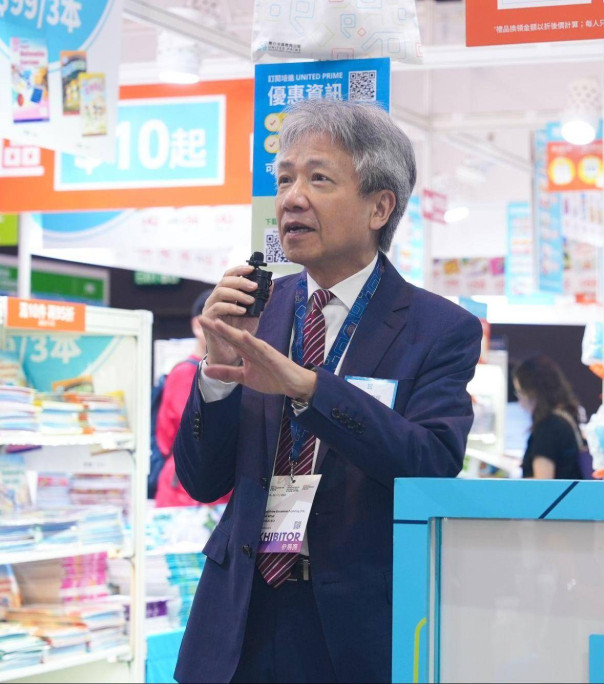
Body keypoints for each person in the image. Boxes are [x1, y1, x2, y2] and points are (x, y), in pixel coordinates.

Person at [171, 99, 482, 683]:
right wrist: (216, 370)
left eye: (318, 178)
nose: (292, 198)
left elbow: (431, 462)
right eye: (284, 179)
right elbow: (202, 482)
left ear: (379, 207)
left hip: (352, 628)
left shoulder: (439, 329)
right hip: (238, 619)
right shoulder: (256, 310)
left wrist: (311, 388)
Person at [153, 289, 232, 508]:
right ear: (198, 325)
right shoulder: (185, 373)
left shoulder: (226, 372)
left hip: (207, 489)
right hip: (186, 492)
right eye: (220, 320)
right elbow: (199, 434)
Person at [513, 354, 587, 480]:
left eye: (520, 392)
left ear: (532, 392)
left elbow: (542, 483)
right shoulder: (565, 417)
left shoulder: (548, 428)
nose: (520, 401)